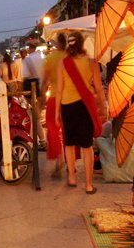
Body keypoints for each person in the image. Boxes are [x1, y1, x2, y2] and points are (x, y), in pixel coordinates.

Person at [55, 32, 106, 193]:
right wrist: (103, 108)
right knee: (86, 145)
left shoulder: (63, 63)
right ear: (82, 44)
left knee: (69, 143)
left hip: (67, 105)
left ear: (69, 46)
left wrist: (57, 112)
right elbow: (98, 88)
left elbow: (59, 89)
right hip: (85, 106)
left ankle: (72, 177)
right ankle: (89, 185)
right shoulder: (91, 62)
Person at [42, 33, 67, 178]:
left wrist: (41, 97)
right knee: (68, 129)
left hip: (54, 97)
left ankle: (59, 158)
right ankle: (71, 163)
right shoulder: (70, 57)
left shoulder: (50, 59)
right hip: (70, 97)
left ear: (56, 44)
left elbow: (45, 81)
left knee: (52, 127)